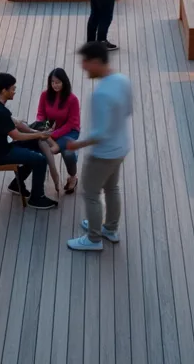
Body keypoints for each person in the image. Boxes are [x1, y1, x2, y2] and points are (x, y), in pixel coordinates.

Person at [66, 41, 134, 251]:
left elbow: (100, 134)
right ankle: (110, 229)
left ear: (96, 62)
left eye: (85, 62)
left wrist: (76, 145)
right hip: (121, 147)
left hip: (103, 155)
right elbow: (128, 110)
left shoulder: (101, 94)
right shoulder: (122, 80)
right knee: (112, 188)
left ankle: (94, 238)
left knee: (91, 194)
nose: (83, 66)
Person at [0, 72, 58, 210]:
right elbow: (17, 136)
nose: (14, 91)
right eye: (12, 88)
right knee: (40, 160)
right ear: (4, 90)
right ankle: (37, 198)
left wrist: (36, 132)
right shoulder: (0, 112)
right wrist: (39, 135)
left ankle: (16, 184)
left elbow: (16, 123)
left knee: (35, 149)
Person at [36, 68, 81, 194]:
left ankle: (72, 177)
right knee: (38, 146)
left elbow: (72, 123)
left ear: (64, 82)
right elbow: (40, 115)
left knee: (67, 153)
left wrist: (53, 134)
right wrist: (44, 127)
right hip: (50, 130)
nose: (55, 85)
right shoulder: (45, 95)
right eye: (53, 82)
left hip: (69, 131)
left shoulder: (72, 99)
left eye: (58, 82)